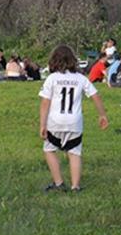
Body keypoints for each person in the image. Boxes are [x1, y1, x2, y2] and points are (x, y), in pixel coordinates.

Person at [38, 45, 108, 193]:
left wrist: (42, 124)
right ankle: (75, 186)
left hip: (55, 122)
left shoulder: (52, 78)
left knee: (49, 149)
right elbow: (95, 95)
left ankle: (59, 183)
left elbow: (45, 103)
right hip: (74, 122)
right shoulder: (80, 78)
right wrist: (102, 115)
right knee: (74, 152)